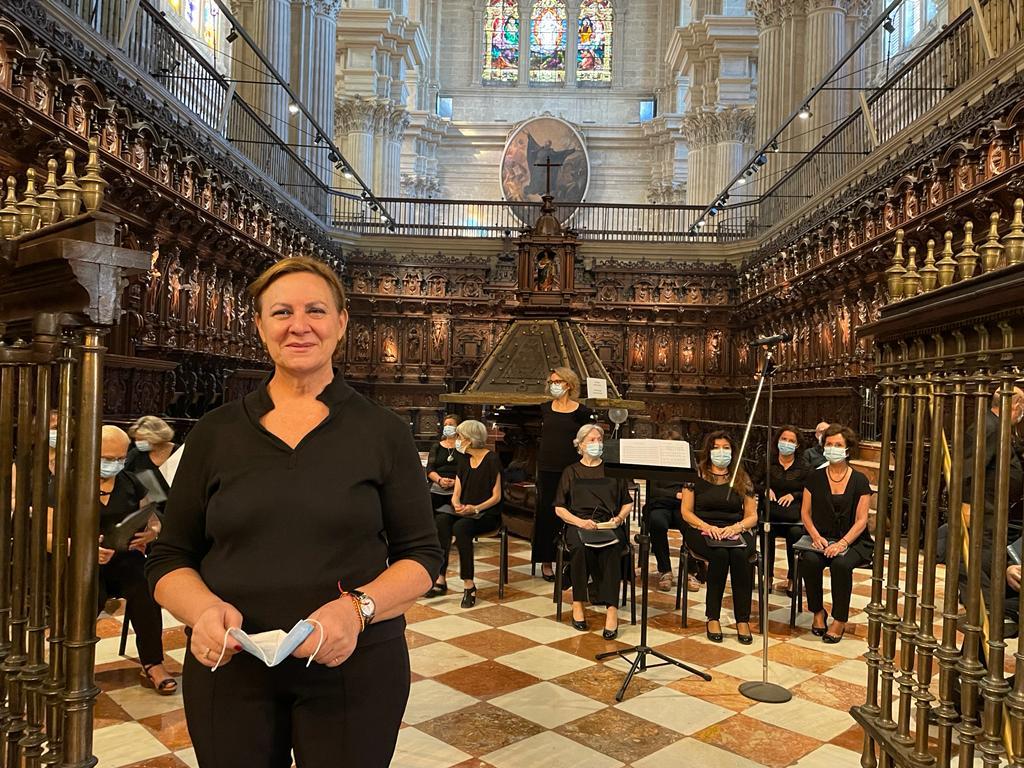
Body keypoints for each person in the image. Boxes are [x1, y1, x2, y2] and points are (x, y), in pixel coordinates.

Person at [146, 256, 442, 768]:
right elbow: (169, 556)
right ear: (259, 326)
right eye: (281, 312)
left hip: (354, 664)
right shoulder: (216, 432)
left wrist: (357, 609)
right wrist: (200, 612)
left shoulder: (383, 431)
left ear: (342, 322)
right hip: (229, 665)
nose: (299, 325)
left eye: (316, 310)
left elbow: (422, 557)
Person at [96, 425, 175, 694]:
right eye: (107, 458)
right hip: (84, 563)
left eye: (119, 458)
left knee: (147, 589)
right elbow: (51, 530)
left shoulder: (136, 479)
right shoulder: (71, 481)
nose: (114, 464)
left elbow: (157, 517)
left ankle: (153, 663)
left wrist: (150, 533)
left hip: (126, 558)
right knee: (86, 595)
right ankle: (74, 666)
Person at [554, 424, 633, 640]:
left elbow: (627, 502)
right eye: (591, 440)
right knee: (579, 548)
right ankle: (578, 603)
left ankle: (612, 609)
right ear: (580, 445)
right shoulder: (570, 471)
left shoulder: (613, 470)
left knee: (614, 547)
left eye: (599, 440)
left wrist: (618, 519)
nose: (597, 444)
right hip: (578, 524)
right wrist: (580, 522)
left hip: (607, 524)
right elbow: (559, 508)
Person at [680, 431, 758, 644]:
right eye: (716, 448)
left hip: (735, 529)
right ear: (708, 451)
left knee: (741, 556)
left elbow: (752, 516)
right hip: (702, 528)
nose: (721, 452)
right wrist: (707, 526)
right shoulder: (695, 476)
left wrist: (736, 527)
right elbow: (686, 512)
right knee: (720, 555)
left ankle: (742, 619)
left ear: (733, 452)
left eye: (726, 448)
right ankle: (712, 616)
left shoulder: (741, 477)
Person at [799, 424, 873, 644]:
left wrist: (842, 544)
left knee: (841, 564)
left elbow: (862, 520)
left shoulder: (860, 479)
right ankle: (818, 612)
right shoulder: (815, 476)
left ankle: (839, 619)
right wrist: (814, 536)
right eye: (829, 444)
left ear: (848, 449)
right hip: (820, 537)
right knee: (810, 561)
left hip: (853, 540)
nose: (832, 448)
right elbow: (805, 512)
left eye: (838, 445)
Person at [433, 419, 503, 607]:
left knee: (462, 528)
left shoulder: (492, 459)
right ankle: (440, 577)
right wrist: (455, 502)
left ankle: (468, 584)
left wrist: (476, 508)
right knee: (441, 520)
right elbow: (458, 487)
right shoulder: (463, 459)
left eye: (459, 436)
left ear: (470, 439)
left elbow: (496, 496)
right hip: (464, 508)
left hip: (486, 513)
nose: (457, 439)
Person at [533, 367, 593, 582]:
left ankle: (569, 558)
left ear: (568, 384)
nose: (553, 385)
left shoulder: (582, 412)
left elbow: (587, 439)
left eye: (557, 381)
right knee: (547, 514)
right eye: (551, 382)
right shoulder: (544, 409)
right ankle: (546, 560)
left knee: (571, 512)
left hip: (572, 469)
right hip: (548, 468)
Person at [645, 428, 699, 593]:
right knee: (657, 523)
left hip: (681, 507)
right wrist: (676, 494)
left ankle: (690, 571)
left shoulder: (687, 463)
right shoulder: (654, 464)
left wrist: (684, 496)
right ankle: (665, 570)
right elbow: (654, 491)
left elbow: (693, 485)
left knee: (690, 525)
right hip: (660, 505)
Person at [763, 425, 809, 595]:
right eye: (784, 439)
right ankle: (767, 576)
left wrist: (794, 495)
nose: (787, 443)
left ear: (797, 445)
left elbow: (809, 489)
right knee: (766, 531)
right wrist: (765, 489)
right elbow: (753, 482)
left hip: (793, 513)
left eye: (791, 441)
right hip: (771, 511)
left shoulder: (803, 465)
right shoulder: (768, 460)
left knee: (795, 533)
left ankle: (793, 577)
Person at [125, 415, 177, 502]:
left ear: (156, 437)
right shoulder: (136, 454)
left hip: (175, 504)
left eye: (141, 439)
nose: (137, 443)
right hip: (147, 505)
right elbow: (123, 477)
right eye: (136, 439)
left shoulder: (179, 453)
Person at [425, 414, 463, 513]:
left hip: (458, 484)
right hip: (438, 482)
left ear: (458, 427)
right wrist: (440, 480)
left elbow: (469, 469)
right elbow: (429, 469)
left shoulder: (464, 446)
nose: (447, 427)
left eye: (450, 424)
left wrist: (455, 483)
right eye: (445, 425)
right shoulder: (436, 446)